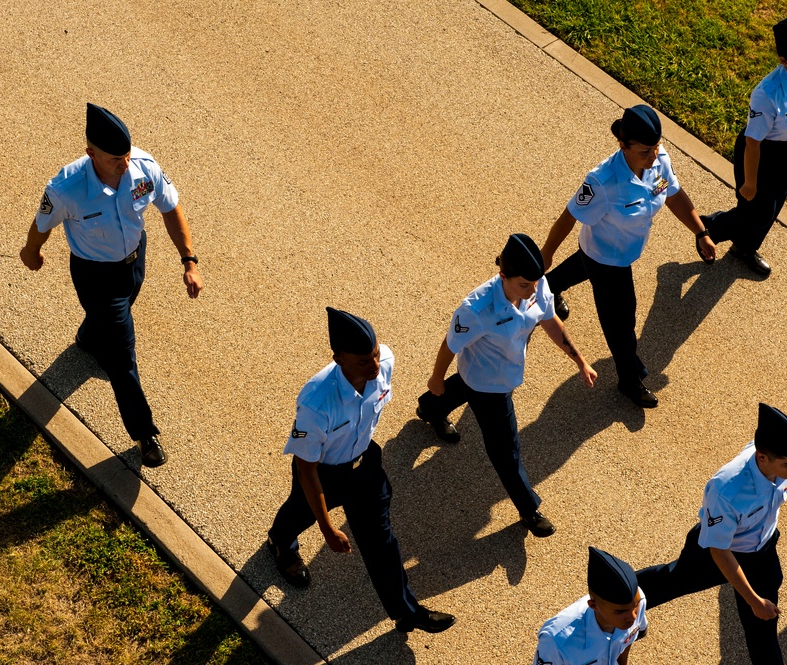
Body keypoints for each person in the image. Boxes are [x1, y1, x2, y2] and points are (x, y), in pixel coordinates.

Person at [20, 103, 203, 467]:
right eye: (114, 159)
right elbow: (42, 225)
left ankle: (89, 339)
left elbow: (170, 208)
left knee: (109, 325)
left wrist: (189, 261)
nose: (124, 164)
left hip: (134, 262)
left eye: (126, 154)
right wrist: (31, 253)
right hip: (96, 275)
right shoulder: (66, 188)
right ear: (91, 154)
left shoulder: (144, 167)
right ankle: (144, 434)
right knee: (122, 357)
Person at [267, 308, 455, 634]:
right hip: (323, 473)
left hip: (365, 466)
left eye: (376, 356)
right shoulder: (316, 401)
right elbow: (305, 467)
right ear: (338, 358)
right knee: (299, 515)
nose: (375, 367)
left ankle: (406, 613)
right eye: (364, 362)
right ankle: (281, 543)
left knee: (382, 544)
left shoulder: (384, 365)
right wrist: (327, 528)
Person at [417, 233, 596, 538]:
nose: (533, 291)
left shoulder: (536, 285)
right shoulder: (475, 310)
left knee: (460, 389)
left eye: (536, 283)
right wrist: (435, 378)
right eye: (524, 285)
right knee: (506, 450)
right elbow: (450, 345)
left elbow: (550, 321)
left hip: (500, 371)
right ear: (503, 276)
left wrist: (579, 360)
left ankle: (431, 406)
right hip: (489, 388)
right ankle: (529, 510)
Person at [540, 105, 716, 409]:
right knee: (621, 322)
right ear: (623, 146)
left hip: (623, 248)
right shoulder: (602, 182)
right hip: (606, 259)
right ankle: (629, 379)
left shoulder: (658, 161)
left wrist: (700, 232)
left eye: (658, 146)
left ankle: (548, 286)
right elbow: (569, 216)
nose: (654, 155)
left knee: (582, 271)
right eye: (646, 150)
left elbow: (672, 194)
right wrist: (545, 254)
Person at [635, 404, 787, 664]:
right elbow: (719, 551)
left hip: (762, 550)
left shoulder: (780, 459)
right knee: (673, 581)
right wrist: (754, 601)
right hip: (714, 552)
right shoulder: (726, 489)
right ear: (762, 457)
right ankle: (617, 596)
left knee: (763, 630)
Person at [701, 17, 787, 276]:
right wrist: (750, 182)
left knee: (772, 207)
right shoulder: (767, 93)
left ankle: (744, 248)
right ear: (784, 61)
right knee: (753, 210)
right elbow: (753, 142)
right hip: (763, 154)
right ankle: (708, 227)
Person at [534, 547, 648, 665]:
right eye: (620, 612)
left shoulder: (640, 601)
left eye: (636, 605)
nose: (633, 616)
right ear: (593, 605)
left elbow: (626, 641)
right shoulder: (557, 642)